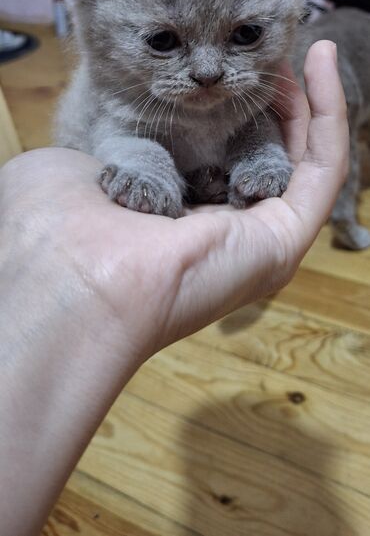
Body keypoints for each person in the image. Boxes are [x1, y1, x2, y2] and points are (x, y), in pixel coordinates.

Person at [0, 41, 348, 536]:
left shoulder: (244, 82)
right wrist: (149, 167)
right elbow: (121, 133)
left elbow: (259, 124)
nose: (208, 70)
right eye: (163, 41)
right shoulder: (119, 88)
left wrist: (260, 150)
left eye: (246, 32)